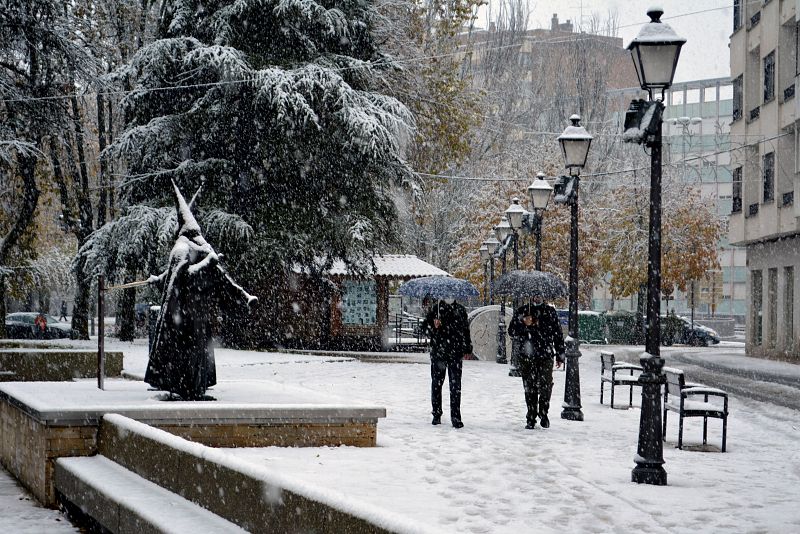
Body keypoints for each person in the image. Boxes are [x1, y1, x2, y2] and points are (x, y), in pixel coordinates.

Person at [508, 294, 565, 429]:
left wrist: (560, 355)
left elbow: (557, 333)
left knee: (546, 386)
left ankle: (543, 413)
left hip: (545, 354)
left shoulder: (549, 312)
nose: (537, 298)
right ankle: (531, 416)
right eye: (535, 296)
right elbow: (512, 331)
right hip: (527, 355)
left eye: (539, 296)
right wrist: (524, 323)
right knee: (530, 387)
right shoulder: (523, 311)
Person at [421, 298, 472, 428]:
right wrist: (434, 326)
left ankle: (456, 416)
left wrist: (467, 347)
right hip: (439, 352)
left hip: (455, 352)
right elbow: (424, 329)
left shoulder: (460, 310)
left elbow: (465, 330)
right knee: (437, 383)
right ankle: (436, 414)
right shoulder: (436, 309)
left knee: (455, 386)